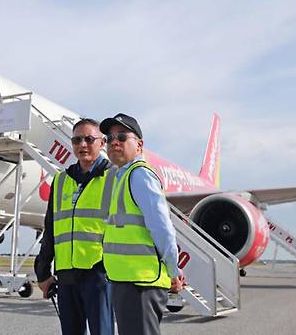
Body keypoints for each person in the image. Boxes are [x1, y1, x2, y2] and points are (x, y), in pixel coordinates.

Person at [99, 114, 184, 335]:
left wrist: (174, 271)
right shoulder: (121, 176)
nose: (114, 141)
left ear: (139, 145)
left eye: (121, 136)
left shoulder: (140, 176)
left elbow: (162, 228)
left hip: (141, 283)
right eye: (109, 138)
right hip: (127, 280)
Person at [34, 118, 115, 335]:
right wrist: (42, 271)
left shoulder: (114, 178)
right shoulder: (61, 181)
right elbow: (50, 228)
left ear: (102, 142)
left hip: (99, 275)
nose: (83, 145)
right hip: (66, 276)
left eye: (89, 139)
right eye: (77, 140)